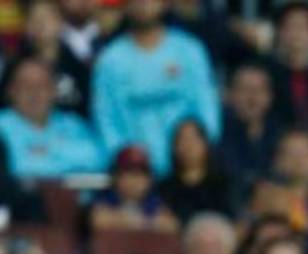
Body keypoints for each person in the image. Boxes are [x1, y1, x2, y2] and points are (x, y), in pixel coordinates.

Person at [91, 0, 220, 176]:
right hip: (135, 175)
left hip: (188, 172)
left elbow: (207, 108)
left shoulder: (190, 50)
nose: (143, 3)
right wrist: (126, 162)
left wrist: (197, 153)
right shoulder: (111, 60)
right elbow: (106, 120)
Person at [0, 56, 104, 179]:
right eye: (25, 86)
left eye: (42, 85)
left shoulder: (73, 123)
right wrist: (66, 159)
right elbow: (16, 167)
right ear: (10, 91)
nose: (34, 93)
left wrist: (51, 150)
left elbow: (97, 159)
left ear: (54, 91)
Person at [219, 61, 282, 193]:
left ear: (270, 97)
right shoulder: (217, 135)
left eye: (259, 90)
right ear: (229, 95)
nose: (252, 98)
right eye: (244, 90)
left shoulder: (281, 134)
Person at [156, 118, 234, 224]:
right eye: (182, 140)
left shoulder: (223, 184)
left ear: (206, 144)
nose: (188, 145)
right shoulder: (164, 189)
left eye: (194, 138)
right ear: (174, 148)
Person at [89, 145, 178, 233]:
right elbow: (98, 220)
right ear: (116, 177)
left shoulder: (154, 201)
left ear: (149, 180)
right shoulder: (106, 197)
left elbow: (171, 225)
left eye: (138, 175)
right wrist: (143, 222)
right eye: (128, 174)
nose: (133, 181)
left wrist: (136, 222)